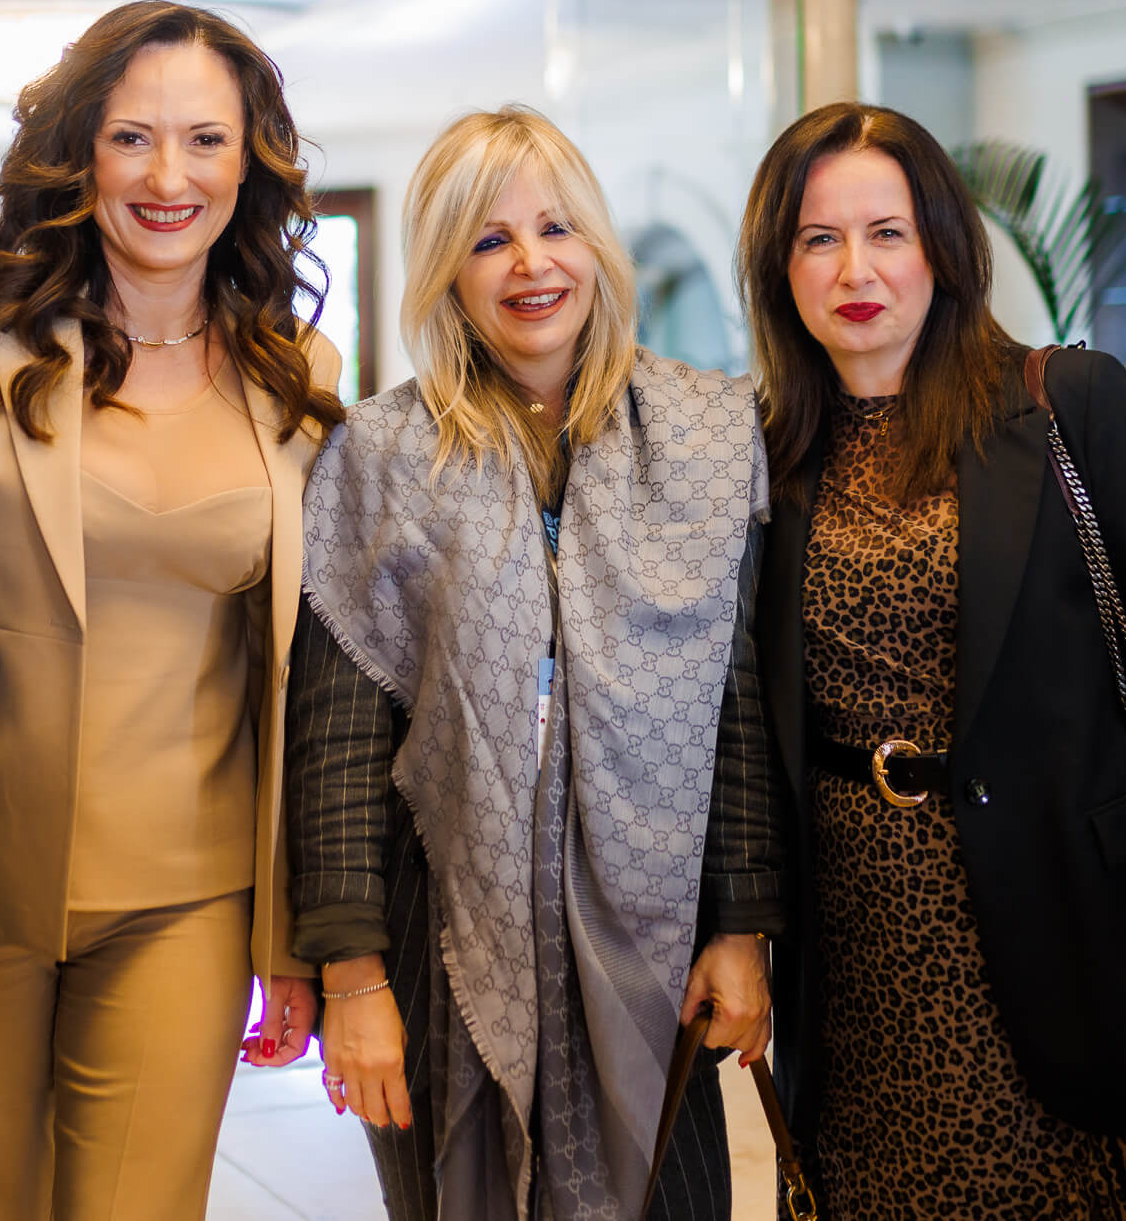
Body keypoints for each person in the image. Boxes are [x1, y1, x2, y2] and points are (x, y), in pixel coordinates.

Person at [739, 101, 1126, 1219]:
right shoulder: (762, 453)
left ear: (941, 246)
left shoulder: (1064, 401)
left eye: (886, 233)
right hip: (852, 943)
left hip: (1068, 915)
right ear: (778, 269)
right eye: (818, 239)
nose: (855, 270)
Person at [0, 0, 344, 1221]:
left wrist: (295, 937)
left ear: (249, 163)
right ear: (79, 150)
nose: (166, 176)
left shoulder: (298, 377)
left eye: (204, 139)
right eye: (132, 136)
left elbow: (309, 673)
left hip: (190, 895)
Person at [288, 105, 781, 1220]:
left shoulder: (705, 434)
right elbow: (337, 738)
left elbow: (734, 702)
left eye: (555, 228)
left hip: (656, 932)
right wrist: (351, 974)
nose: (530, 264)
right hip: (441, 938)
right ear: (445, 271)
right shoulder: (380, 455)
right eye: (488, 239)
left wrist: (740, 924)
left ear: (596, 244)